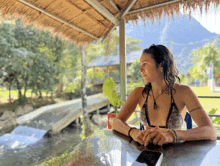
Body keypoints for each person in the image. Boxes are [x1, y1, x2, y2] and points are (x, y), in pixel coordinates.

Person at [112, 44, 217, 146]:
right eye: (140, 65)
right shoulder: (138, 93)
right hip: (147, 152)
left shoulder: (183, 92)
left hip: (175, 154)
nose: (140, 70)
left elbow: (210, 131)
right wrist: (133, 132)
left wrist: (173, 134)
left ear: (161, 65)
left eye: (145, 64)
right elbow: (117, 122)